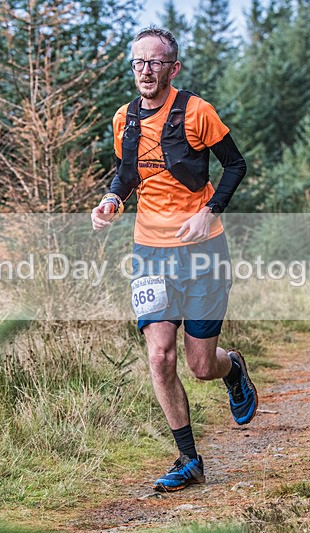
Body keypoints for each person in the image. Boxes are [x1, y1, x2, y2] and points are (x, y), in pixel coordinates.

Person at [90, 26, 256, 492]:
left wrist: (209, 212)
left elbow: (236, 165)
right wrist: (111, 201)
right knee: (160, 355)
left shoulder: (197, 112)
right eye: (138, 62)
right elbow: (127, 173)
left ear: (173, 68)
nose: (146, 70)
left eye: (155, 62)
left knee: (201, 365)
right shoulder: (125, 119)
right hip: (150, 253)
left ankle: (234, 368)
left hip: (203, 250)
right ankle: (189, 459)